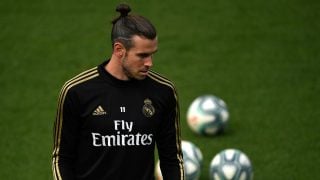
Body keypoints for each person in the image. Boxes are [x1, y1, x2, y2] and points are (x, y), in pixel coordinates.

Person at [52, 3, 185, 180]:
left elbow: (172, 159)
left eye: (152, 54)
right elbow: (61, 158)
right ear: (119, 50)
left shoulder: (163, 91)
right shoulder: (77, 91)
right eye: (142, 55)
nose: (150, 63)